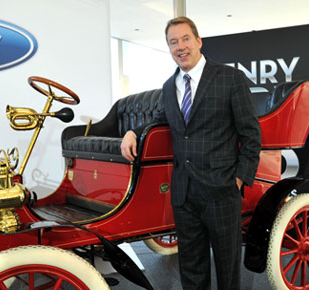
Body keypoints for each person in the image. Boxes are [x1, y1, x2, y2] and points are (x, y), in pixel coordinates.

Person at [120, 16, 261, 290]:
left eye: (185, 39)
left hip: (221, 192)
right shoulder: (168, 86)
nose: (180, 47)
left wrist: (239, 180)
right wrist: (132, 133)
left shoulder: (230, 79)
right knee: (191, 269)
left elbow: (251, 135)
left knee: (227, 270)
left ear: (198, 41)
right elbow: (160, 120)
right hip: (184, 194)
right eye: (173, 42)